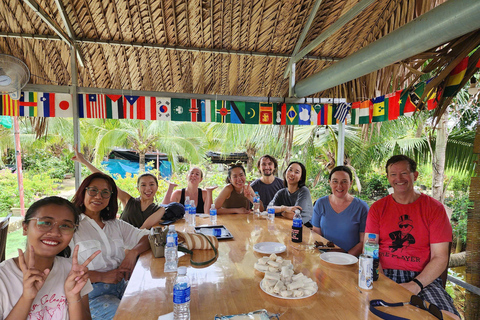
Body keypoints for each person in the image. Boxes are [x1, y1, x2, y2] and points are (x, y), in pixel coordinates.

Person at [365, 155, 460, 320]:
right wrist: (381, 280)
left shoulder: (434, 209)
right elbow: (370, 247)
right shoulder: (378, 208)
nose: (398, 179)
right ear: (388, 178)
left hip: (423, 277)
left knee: (449, 317)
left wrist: (416, 285)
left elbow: (440, 257)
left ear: (414, 175)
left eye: (404, 173)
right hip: (383, 273)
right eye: (393, 174)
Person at [0, 196, 100, 320]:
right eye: (45, 223)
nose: (55, 232)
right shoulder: (3, 278)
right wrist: (26, 298)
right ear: (25, 227)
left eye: (65, 226)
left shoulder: (73, 272)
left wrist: (74, 297)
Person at [70, 172, 151, 320]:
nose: (98, 196)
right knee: (129, 317)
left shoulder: (115, 224)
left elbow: (147, 237)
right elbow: (61, 270)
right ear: (83, 192)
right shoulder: (72, 226)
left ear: (111, 197)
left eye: (105, 192)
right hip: (90, 296)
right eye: (93, 190)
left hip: (122, 286)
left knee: (154, 304)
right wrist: (102, 276)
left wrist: (133, 253)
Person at [73, 149, 165, 229]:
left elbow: (142, 229)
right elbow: (107, 180)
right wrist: (84, 161)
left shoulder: (158, 210)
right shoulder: (128, 200)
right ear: (138, 188)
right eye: (143, 185)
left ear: (157, 187)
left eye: (152, 184)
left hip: (138, 243)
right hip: (117, 240)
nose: (148, 189)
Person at [311, 166, 368, 256]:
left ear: (350, 183)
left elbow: (364, 241)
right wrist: (325, 255)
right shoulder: (320, 203)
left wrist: (345, 257)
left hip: (350, 260)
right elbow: (316, 233)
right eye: (335, 181)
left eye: (344, 181)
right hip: (325, 257)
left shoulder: (361, 207)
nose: (339, 186)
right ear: (330, 183)